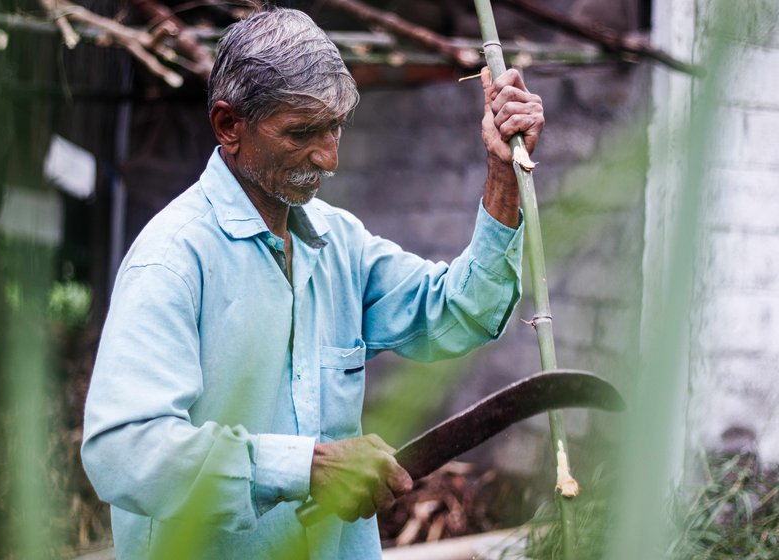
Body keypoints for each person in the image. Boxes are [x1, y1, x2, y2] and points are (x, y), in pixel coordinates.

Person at [81, 7, 544, 560]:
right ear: (230, 125)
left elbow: (460, 313)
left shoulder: (337, 242)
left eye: (336, 127)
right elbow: (123, 452)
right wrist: (303, 466)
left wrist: (501, 175)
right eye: (302, 132)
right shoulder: (173, 262)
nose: (329, 157)